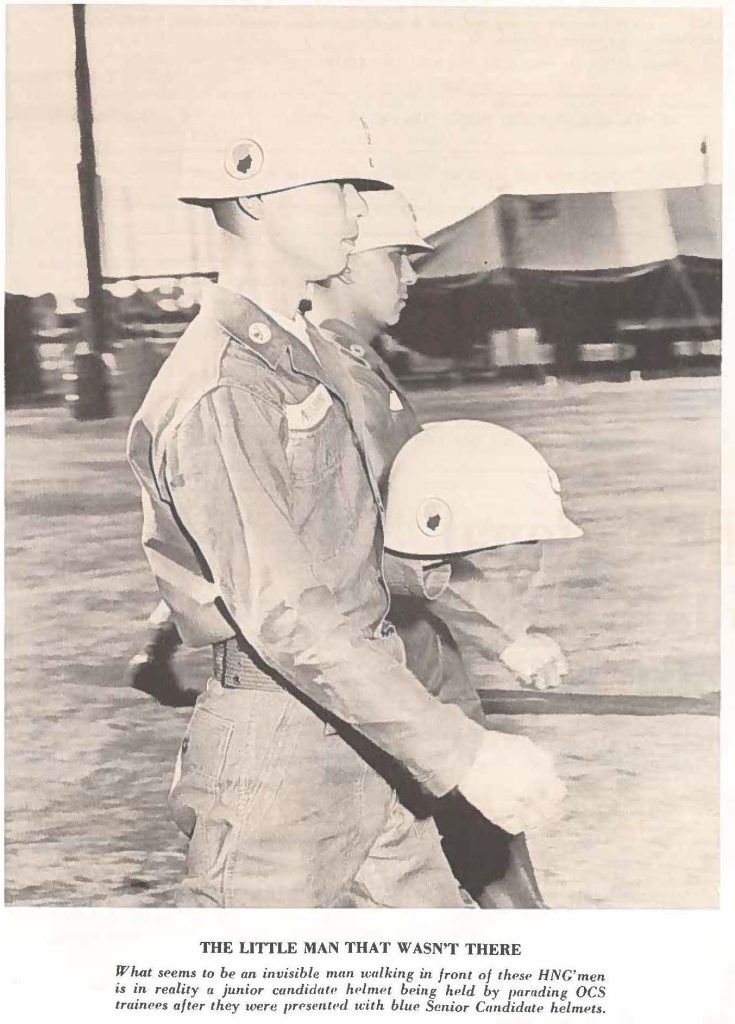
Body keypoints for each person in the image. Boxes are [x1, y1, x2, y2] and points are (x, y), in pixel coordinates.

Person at [127, 97, 564, 908]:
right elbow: (290, 615)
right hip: (276, 765)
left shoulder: (307, 359)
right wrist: (461, 751)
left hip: (372, 739)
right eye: (338, 189)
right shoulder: (224, 387)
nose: (357, 214)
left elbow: (354, 553)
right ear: (256, 199)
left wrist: (472, 593)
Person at [383, 419, 583, 903]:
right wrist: (507, 633)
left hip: (414, 652)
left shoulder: (354, 364)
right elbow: (400, 551)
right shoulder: (345, 374)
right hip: (372, 657)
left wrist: (509, 630)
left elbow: (421, 546)